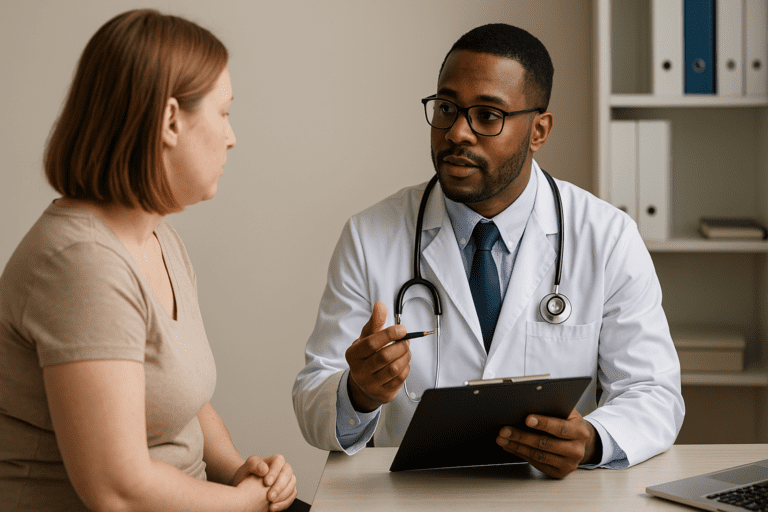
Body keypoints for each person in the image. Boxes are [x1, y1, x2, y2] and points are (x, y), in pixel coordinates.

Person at [293, 23, 684, 479]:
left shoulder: (608, 236)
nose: (457, 132)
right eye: (446, 108)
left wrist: (593, 439)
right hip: (416, 502)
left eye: (487, 115)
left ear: (538, 130)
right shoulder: (369, 236)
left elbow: (654, 393)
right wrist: (359, 392)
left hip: (555, 501)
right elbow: (312, 399)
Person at [0, 9, 301, 511]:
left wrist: (234, 467)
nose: (232, 137)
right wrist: (245, 503)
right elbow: (117, 492)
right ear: (169, 121)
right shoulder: (81, 265)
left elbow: (179, 394)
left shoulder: (158, 237)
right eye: (223, 114)